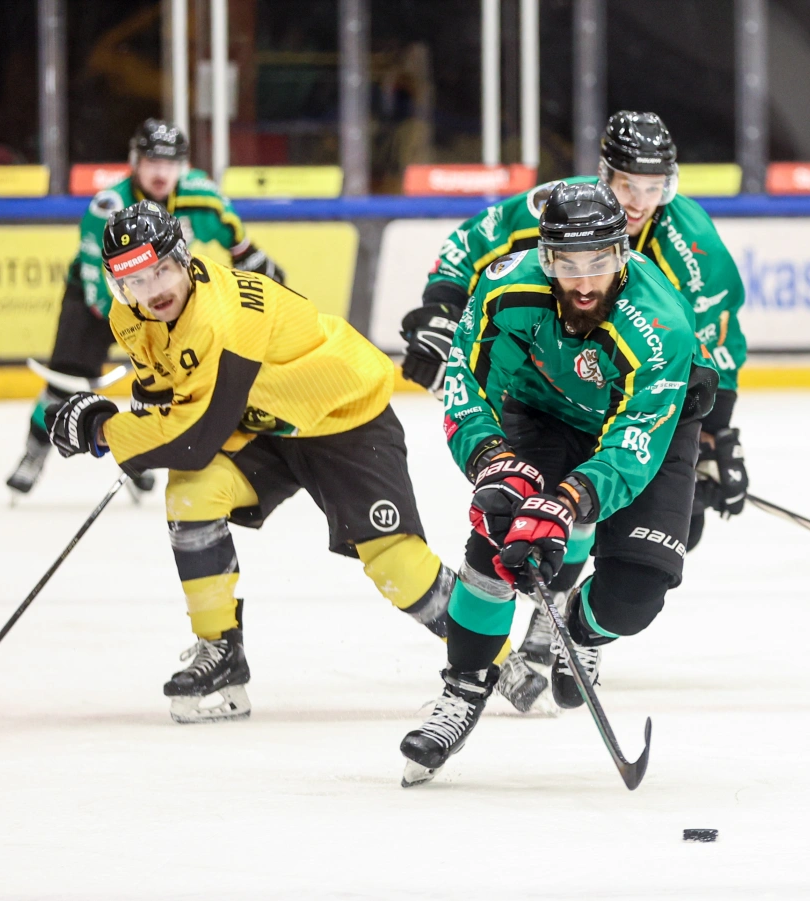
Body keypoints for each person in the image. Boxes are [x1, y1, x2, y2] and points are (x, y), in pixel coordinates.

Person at [46, 201, 542, 723]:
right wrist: (128, 422)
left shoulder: (221, 319)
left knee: (396, 564)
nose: (153, 290)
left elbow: (192, 439)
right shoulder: (129, 315)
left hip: (344, 418)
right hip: (267, 421)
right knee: (192, 493)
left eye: (162, 270)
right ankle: (220, 651)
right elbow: (162, 391)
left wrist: (102, 430)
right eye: (134, 280)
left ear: (184, 257)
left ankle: (496, 659)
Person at [398, 110, 749, 685]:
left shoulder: (693, 246)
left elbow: (717, 336)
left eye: (654, 188)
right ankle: (541, 615)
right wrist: (441, 308)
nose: (638, 203)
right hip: (558, 392)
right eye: (627, 185)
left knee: (673, 539)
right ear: (603, 174)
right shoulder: (560, 211)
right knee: (538, 504)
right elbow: (470, 243)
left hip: (645, 392)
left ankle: (576, 619)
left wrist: (717, 435)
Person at [398, 182, 718, 786]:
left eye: (599, 261)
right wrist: (493, 462)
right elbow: (467, 387)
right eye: (566, 265)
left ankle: (578, 627)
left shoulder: (661, 324)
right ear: (545, 258)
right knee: (496, 543)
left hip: (646, 428)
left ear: (623, 254)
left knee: (636, 594)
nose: (584, 281)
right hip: (543, 410)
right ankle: (463, 689)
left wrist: (568, 500)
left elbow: (632, 443)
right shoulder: (504, 289)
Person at [6, 118, 286, 497]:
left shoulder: (202, 198)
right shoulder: (108, 206)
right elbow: (94, 277)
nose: (161, 173)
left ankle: (137, 452)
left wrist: (260, 280)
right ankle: (35, 451)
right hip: (97, 302)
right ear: (134, 162)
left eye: (170, 164)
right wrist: (132, 321)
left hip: (159, 300)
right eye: (153, 162)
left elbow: (241, 246)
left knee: (160, 387)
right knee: (64, 383)